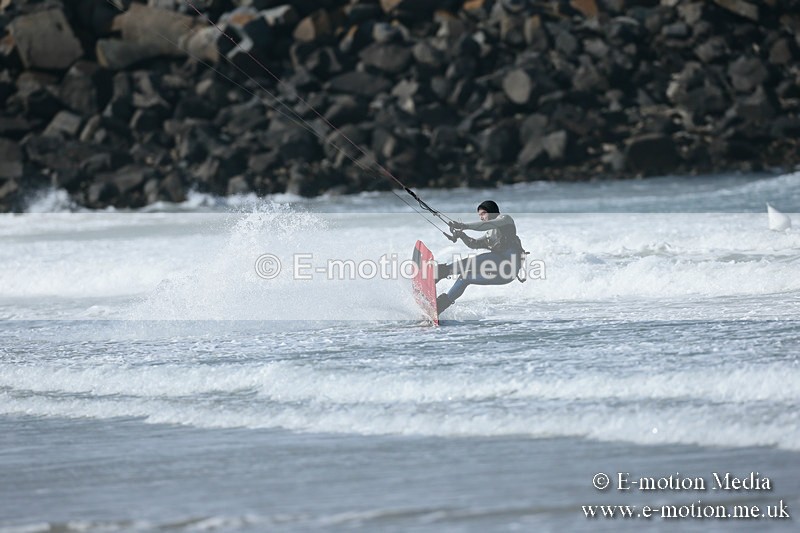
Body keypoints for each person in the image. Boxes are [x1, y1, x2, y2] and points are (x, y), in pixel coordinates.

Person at [436, 200, 526, 314]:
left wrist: (464, 226)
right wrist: (462, 235)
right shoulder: (490, 235)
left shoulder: (505, 220)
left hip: (509, 268)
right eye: (479, 215)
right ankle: (439, 306)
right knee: (465, 277)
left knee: (483, 258)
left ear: (492, 212)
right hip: (501, 274)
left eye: (483, 213)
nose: (481, 217)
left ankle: (440, 272)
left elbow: (487, 225)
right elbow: (473, 244)